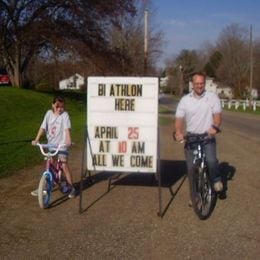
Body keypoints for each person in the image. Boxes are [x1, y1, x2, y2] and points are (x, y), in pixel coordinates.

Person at [174, 72, 223, 193]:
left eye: (202, 83)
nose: (199, 86)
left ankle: (216, 179)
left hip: (207, 136)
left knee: (211, 161)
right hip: (191, 137)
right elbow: (179, 119)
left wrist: (215, 127)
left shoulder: (212, 97)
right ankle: (195, 195)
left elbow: (217, 115)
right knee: (191, 169)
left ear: (204, 84)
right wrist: (179, 132)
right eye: (197, 83)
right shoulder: (185, 100)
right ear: (192, 84)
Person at [31, 96, 76, 198]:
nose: (60, 109)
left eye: (62, 107)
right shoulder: (48, 114)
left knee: (64, 164)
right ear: (53, 105)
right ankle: (44, 186)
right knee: (50, 163)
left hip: (62, 145)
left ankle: (72, 188)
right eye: (57, 106)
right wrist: (37, 139)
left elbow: (67, 128)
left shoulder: (65, 115)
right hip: (51, 144)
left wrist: (68, 140)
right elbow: (43, 127)